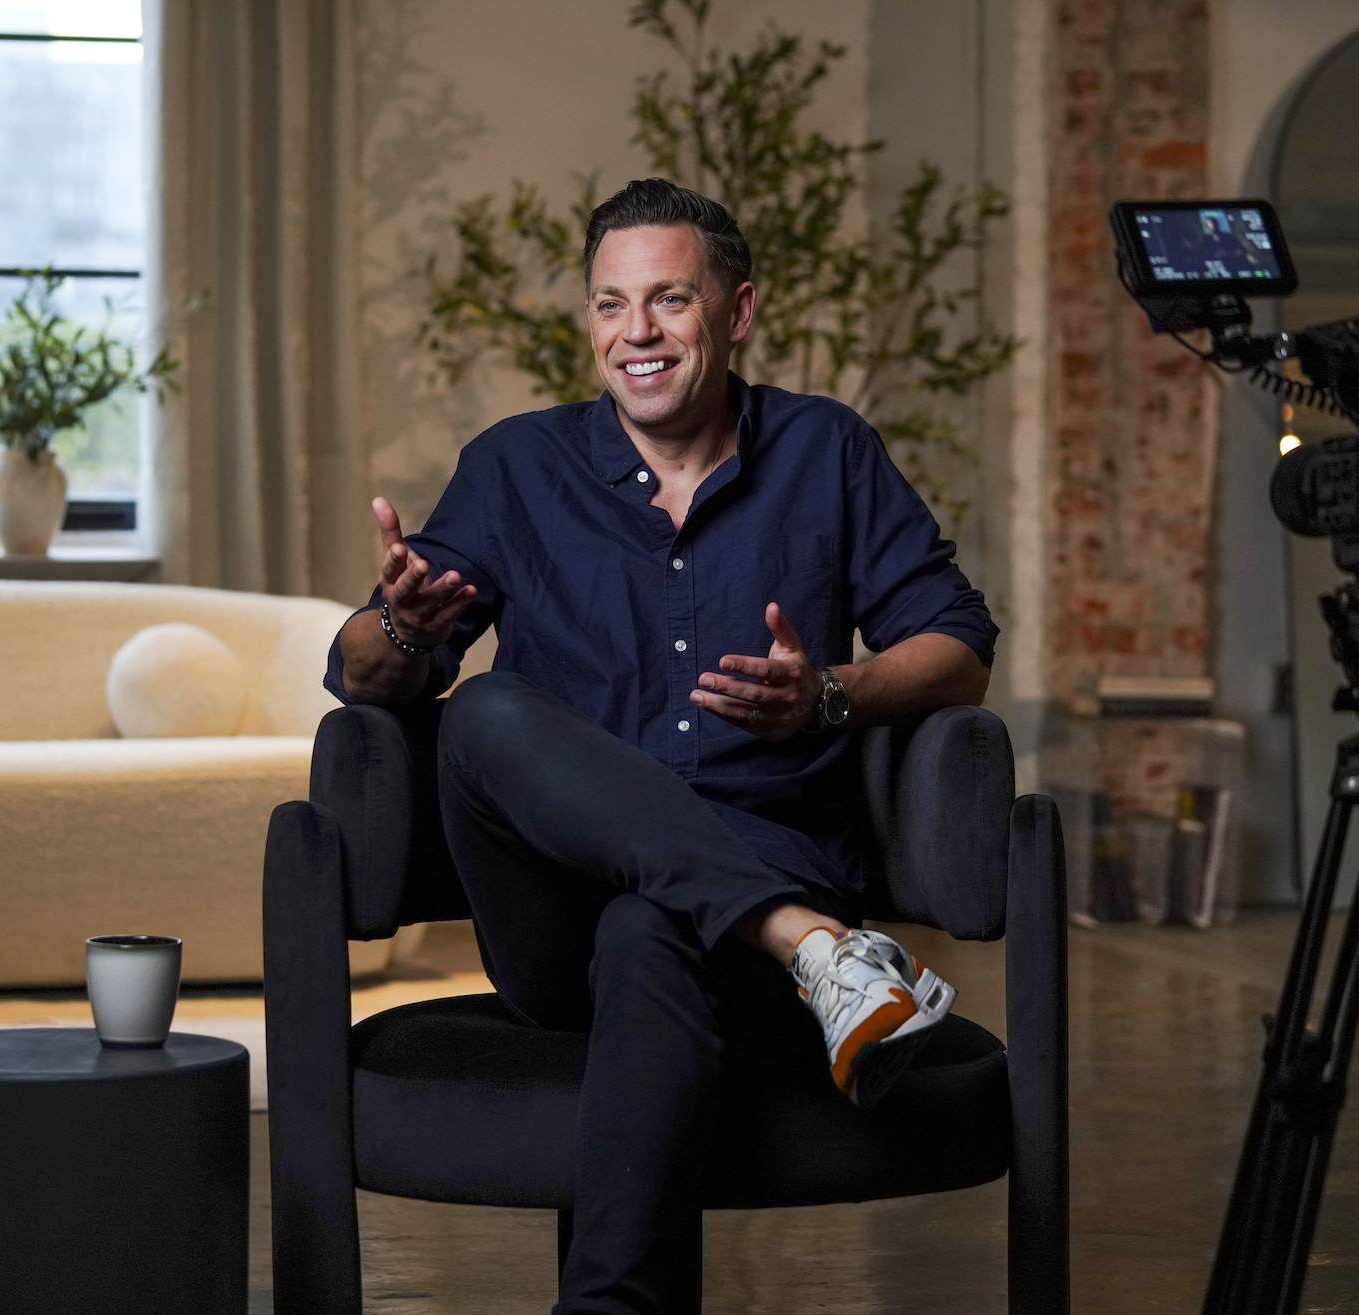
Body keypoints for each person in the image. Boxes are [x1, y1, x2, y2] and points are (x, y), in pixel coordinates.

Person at [326, 177, 996, 1315]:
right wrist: (399, 621)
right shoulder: (517, 465)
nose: (634, 333)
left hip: (727, 890)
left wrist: (828, 693)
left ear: (734, 313)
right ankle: (815, 946)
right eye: (608, 305)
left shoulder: (824, 450)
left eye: (668, 300)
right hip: (555, 915)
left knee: (650, 926)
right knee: (484, 710)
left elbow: (958, 644)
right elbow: (359, 673)